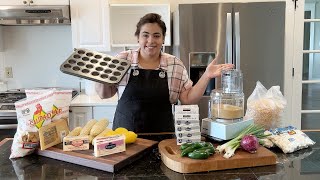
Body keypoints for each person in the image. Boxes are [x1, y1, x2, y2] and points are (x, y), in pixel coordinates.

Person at [96, 13, 234, 134]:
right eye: (145, 35)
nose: (151, 41)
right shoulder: (122, 60)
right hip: (125, 135)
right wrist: (100, 75)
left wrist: (206, 76)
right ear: (138, 37)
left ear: (163, 39)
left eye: (156, 36)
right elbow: (104, 94)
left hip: (162, 138)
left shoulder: (175, 64)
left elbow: (187, 99)